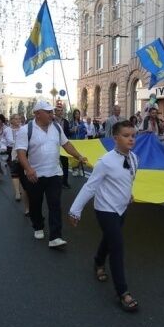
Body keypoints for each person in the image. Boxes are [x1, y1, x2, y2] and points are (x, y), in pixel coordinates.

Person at [69, 120, 139, 312]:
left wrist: (128, 194)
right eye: (126, 135)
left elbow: (128, 178)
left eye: (133, 135)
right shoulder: (105, 161)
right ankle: (122, 292)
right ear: (115, 138)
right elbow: (90, 186)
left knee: (109, 240)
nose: (131, 139)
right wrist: (75, 210)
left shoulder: (134, 158)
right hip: (105, 209)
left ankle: (98, 261)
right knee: (117, 246)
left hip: (122, 208)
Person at [16, 100, 87, 248]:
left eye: (51, 112)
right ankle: (38, 225)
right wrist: (28, 169)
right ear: (37, 114)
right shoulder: (25, 130)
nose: (51, 114)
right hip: (34, 175)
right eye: (48, 112)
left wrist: (78, 156)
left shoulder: (56, 127)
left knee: (55, 204)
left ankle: (56, 236)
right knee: (35, 204)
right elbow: (21, 152)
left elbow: (66, 144)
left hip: (55, 173)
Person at [7, 114, 29, 214]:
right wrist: (3, 146)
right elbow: (6, 141)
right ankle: (17, 191)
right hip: (15, 154)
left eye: (19, 118)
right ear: (11, 120)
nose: (18, 120)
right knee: (15, 174)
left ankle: (28, 207)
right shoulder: (7, 130)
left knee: (25, 181)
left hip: (25, 155)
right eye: (16, 118)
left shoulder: (24, 129)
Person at [54, 105, 72, 189]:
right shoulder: (51, 121)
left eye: (61, 110)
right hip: (54, 145)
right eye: (58, 110)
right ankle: (55, 183)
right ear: (55, 112)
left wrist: (72, 130)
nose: (60, 112)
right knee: (55, 163)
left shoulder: (66, 121)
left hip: (64, 145)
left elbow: (68, 133)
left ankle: (65, 181)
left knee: (65, 164)